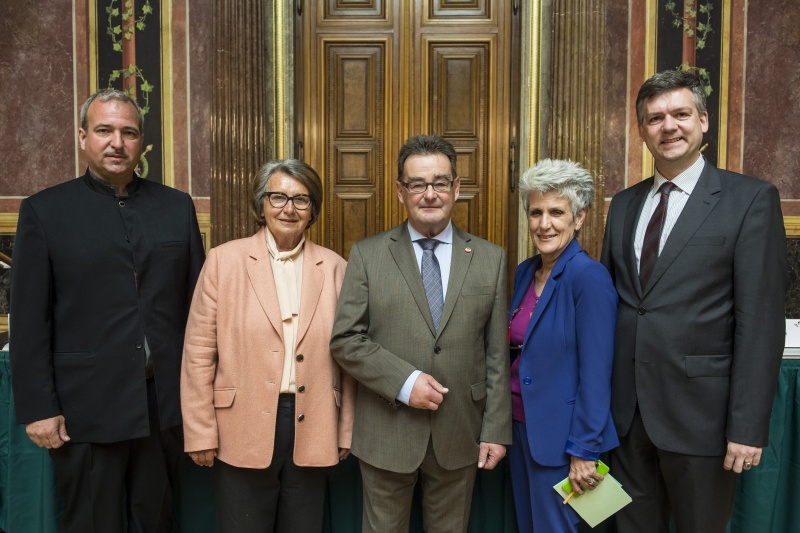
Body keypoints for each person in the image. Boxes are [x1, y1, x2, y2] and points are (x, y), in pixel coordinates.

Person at [10, 89, 205, 532]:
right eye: (104, 130)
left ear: (142, 142)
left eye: (128, 133)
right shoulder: (44, 211)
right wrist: (38, 408)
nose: (117, 142)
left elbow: (198, 309)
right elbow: (29, 321)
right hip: (85, 409)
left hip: (162, 408)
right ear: (83, 137)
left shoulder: (176, 207)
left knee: (156, 521)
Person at [601, 70, 788, 532]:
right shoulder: (622, 205)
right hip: (625, 420)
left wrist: (746, 427)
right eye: (655, 118)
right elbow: (612, 308)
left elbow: (760, 323)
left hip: (703, 420)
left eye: (680, 114)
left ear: (703, 121)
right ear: (641, 130)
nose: (668, 126)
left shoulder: (750, 199)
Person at [330, 134, 512, 533]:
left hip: (460, 431)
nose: (430, 194)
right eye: (417, 184)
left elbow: (496, 353)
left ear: (456, 188)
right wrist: (404, 381)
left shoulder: (490, 259)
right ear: (401, 191)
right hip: (386, 430)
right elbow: (345, 340)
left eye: (440, 183)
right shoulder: (368, 255)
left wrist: (496, 431)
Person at [181, 159, 356, 532]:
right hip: (239, 425)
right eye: (278, 197)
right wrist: (199, 430)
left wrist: (346, 428)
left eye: (301, 200)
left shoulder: (335, 268)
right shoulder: (223, 261)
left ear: (312, 210)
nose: (289, 208)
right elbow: (198, 354)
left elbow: (349, 357)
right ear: (261, 204)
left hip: (315, 422)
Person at [508, 159, 618, 532]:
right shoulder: (526, 271)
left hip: (565, 442)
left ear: (579, 218)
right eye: (536, 212)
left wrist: (584, 450)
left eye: (556, 212)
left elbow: (596, 374)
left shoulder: (589, 277)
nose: (544, 224)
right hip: (522, 430)